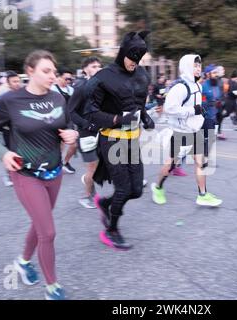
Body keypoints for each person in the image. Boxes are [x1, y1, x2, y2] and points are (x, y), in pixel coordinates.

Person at [0, 50, 78, 300]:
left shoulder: (58, 98)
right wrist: (2, 153)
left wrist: (73, 135)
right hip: (25, 173)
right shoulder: (11, 100)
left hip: (54, 171)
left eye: (54, 71)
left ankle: (23, 261)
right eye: (46, 71)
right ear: (30, 71)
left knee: (40, 223)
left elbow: (68, 125)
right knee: (47, 232)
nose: (52, 76)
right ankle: (52, 287)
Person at [85, 31, 154, 250]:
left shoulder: (142, 74)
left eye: (140, 58)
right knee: (123, 189)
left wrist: (146, 117)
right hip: (112, 140)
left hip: (132, 140)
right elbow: (91, 112)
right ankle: (111, 230)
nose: (136, 62)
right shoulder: (104, 76)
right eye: (132, 57)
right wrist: (116, 118)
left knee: (136, 190)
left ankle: (105, 203)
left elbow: (138, 103)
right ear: (123, 53)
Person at [151, 54, 223, 208]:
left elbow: (196, 108)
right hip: (179, 132)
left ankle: (202, 195)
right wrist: (193, 110)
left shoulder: (197, 85)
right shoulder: (180, 87)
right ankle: (157, 188)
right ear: (186, 67)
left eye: (199, 65)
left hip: (195, 130)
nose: (198, 68)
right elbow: (170, 109)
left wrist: (200, 113)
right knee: (171, 164)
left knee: (201, 162)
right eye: (195, 66)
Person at [68, 56, 102, 209]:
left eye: (98, 66)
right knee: (92, 167)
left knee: (98, 165)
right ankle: (87, 197)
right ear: (85, 69)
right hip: (86, 133)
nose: (97, 69)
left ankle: (89, 182)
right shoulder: (81, 87)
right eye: (93, 66)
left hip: (101, 131)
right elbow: (71, 111)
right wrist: (86, 125)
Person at [0, 71, 22, 187]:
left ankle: (18, 173)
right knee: (11, 151)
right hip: (7, 129)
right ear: (9, 83)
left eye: (18, 81)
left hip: (19, 128)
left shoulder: (22, 94)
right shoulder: (3, 95)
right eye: (14, 82)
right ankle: (7, 174)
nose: (17, 84)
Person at [51, 68, 77, 174]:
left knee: (73, 144)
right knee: (57, 144)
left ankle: (65, 162)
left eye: (70, 79)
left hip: (68, 120)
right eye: (66, 79)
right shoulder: (52, 89)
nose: (68, 81)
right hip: (54, 119)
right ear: (59, 77)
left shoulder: (71, 90)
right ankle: (56, 163)